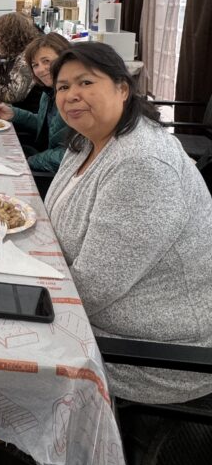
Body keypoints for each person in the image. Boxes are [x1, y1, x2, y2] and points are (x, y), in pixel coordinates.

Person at [45, 42, 212, 406]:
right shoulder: (86, 142)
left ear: (123, 88)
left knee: (0, 332)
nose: (72, 95)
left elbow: (91, 289)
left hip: (154, 350)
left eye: (86, 83)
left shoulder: (142, 165)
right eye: (62, 87)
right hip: (103, 314)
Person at [0, 33, 71, 173]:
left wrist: (30, 161)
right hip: (44, 155)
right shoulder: (49, 92)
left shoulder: (74, 99)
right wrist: (14, 114)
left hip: (55, 172)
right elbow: (47, 127)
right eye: (35, 65)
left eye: (46, 61)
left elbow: (70, 156)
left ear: (65, 58)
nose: (40, 69)